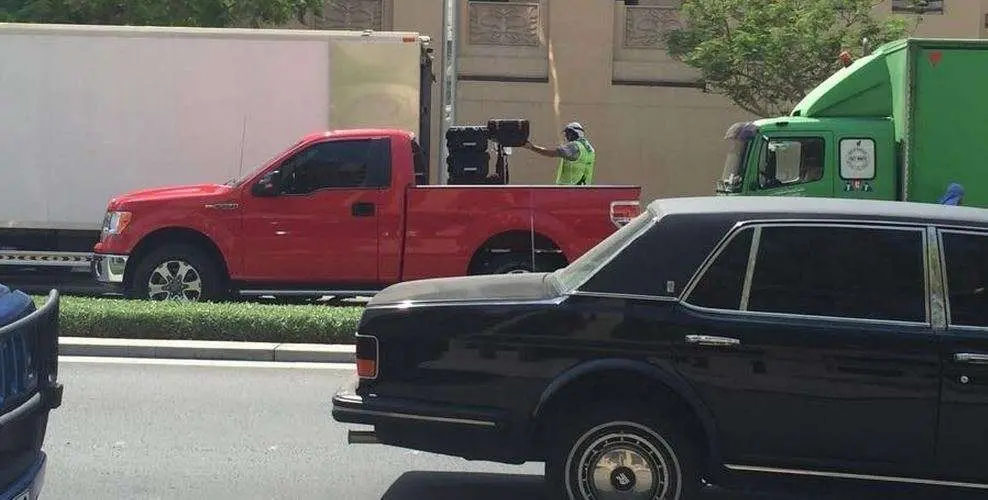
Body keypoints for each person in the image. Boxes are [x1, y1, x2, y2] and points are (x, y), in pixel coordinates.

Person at [523, 122, 596, 185]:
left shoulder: (574, 146)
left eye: (567, 133)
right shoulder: (589, 148)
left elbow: (552, 153)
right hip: (584, 189)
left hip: (569, 189)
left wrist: (532, 147)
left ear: (574, 133)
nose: (566, 136)